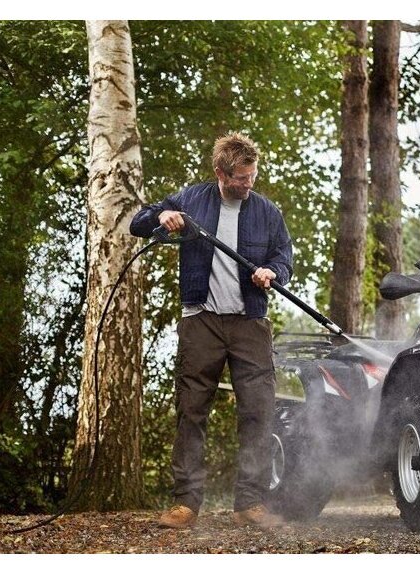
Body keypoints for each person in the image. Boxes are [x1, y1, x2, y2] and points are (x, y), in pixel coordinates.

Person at [130, 133, 292, 529]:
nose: (248, 183)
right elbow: (139, 223)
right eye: (240, 177)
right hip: (200, 320)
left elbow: (283, 256)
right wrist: (162, 217)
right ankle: (185, 504)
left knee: (258, 411)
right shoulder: (191, 200)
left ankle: (250, 504)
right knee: (191, 410)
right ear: (220, 173)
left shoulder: (267, 211)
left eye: (252, 175)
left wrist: (273, 271)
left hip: (250, 322)